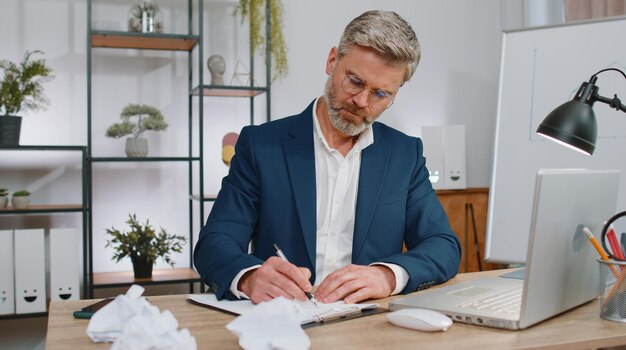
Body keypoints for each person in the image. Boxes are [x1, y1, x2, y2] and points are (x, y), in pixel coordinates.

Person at [194, 10, 461, 305]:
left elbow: (443, 246)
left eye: (380, 94)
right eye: (355, 81)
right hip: (283, 324)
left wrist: (386, 276)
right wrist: (250, 277)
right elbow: (213, 244)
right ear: (332, 61)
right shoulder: (262, 146)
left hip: (368, 327)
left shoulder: (404, 154)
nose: (361, 101)